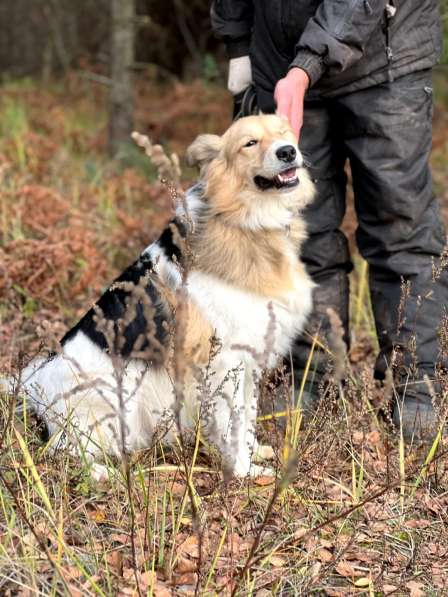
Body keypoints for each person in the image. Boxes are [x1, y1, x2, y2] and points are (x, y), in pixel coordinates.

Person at [211, 0, 447, 440]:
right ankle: (308, 377)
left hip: (384, 63)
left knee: (401, 227)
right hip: (281, 68)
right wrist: (239, 43)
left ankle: (419, 385)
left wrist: (305, 67)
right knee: (297, 229)